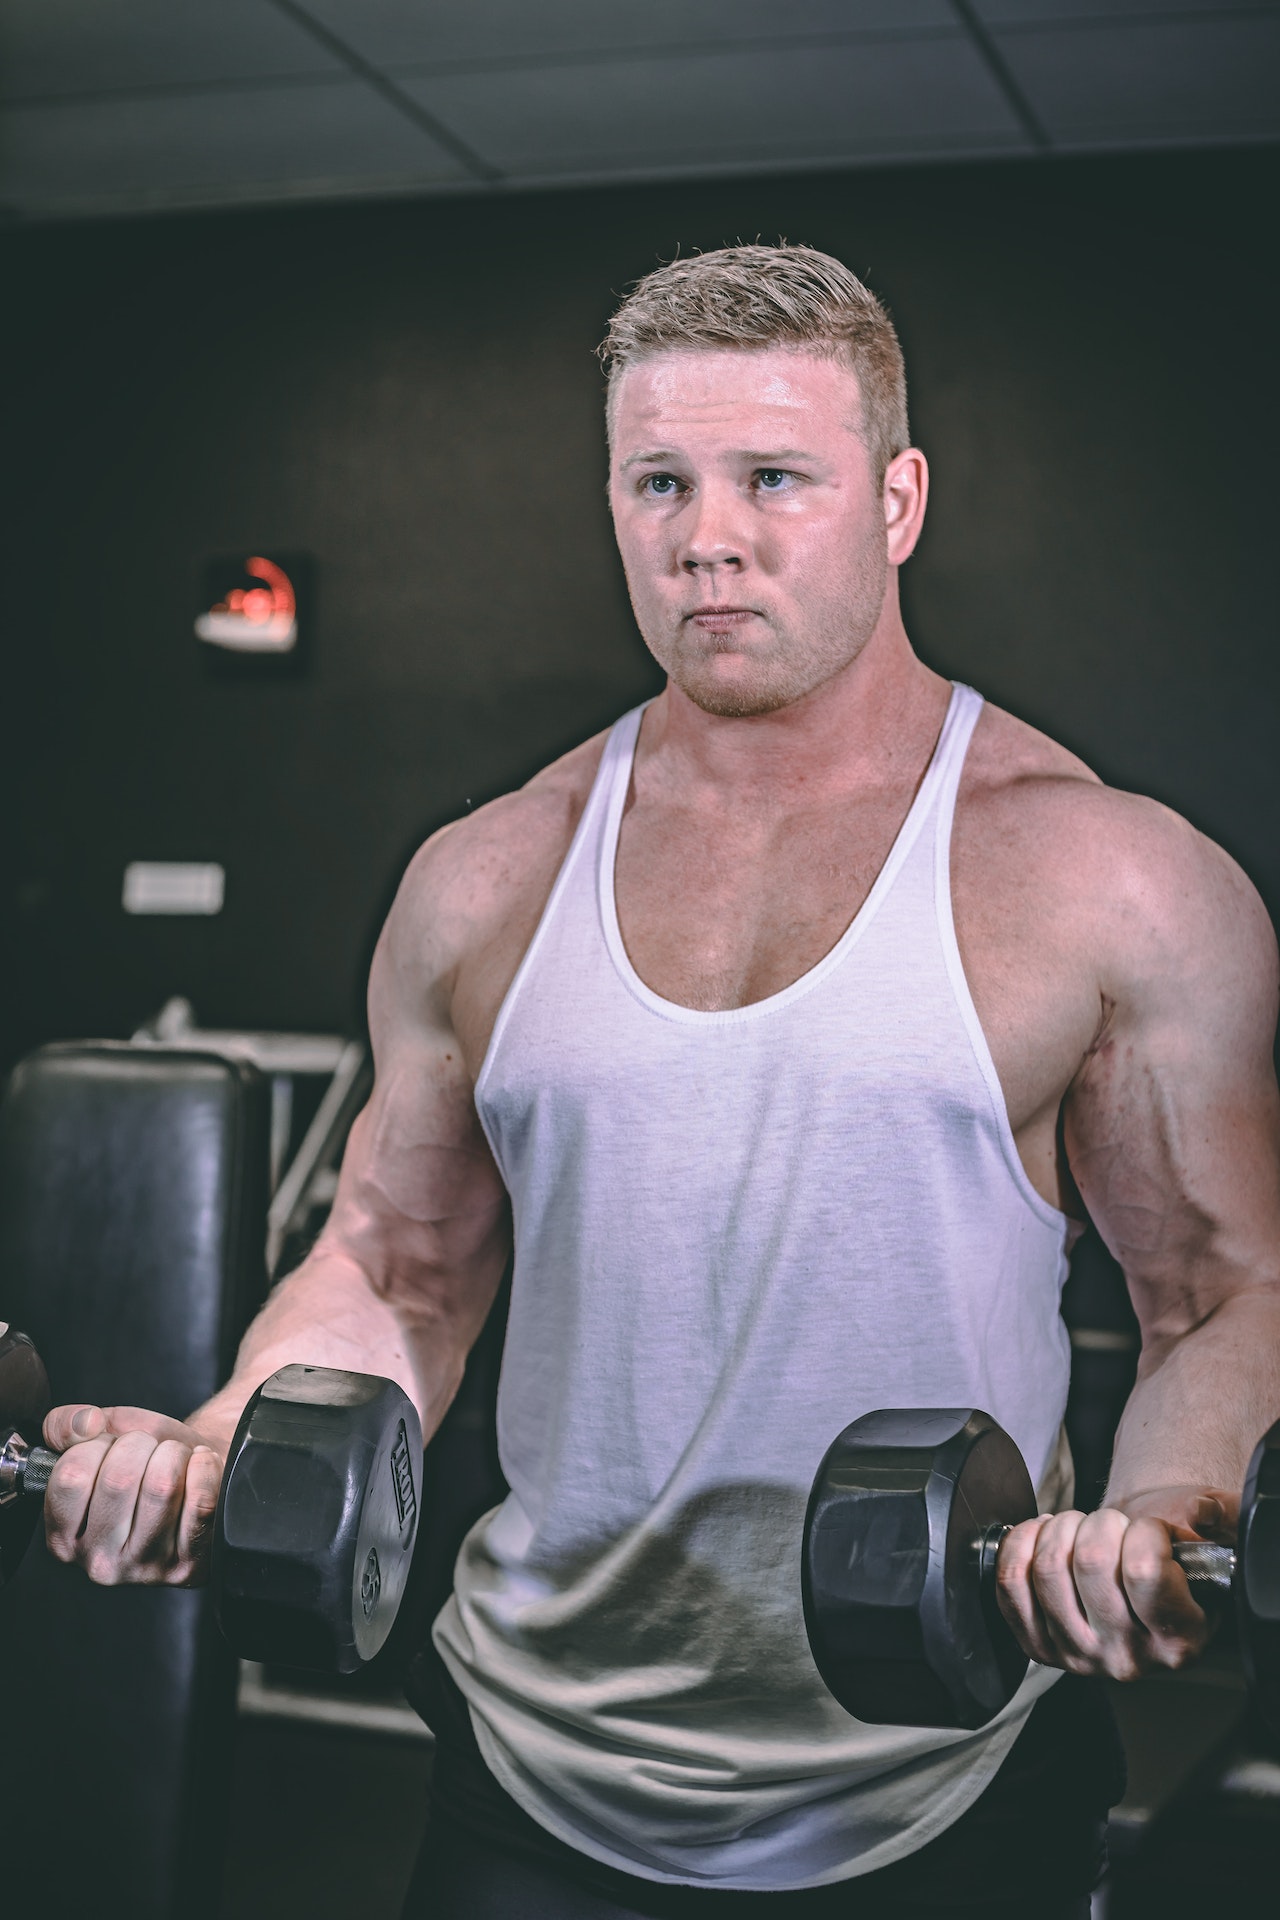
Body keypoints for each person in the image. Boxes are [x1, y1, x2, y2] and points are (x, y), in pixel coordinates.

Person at [42, 246, 1280, 1917]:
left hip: (931, 1785)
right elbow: (396, 1270)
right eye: (659, 481)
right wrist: (221, 1443)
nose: (709, 532)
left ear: (899, 499)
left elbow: (1214, 1297)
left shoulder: (1106, 882)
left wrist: (1147, 1522)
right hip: (528, 1765)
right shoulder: (487, 876)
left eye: (777, 475)